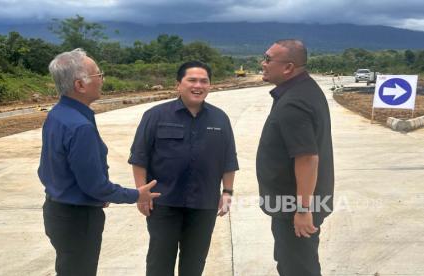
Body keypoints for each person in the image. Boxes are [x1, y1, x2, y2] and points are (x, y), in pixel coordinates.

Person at [38, 48, 160, 276]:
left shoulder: (59, 114)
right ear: (80, 85)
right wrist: (136, 195)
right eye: (98, 75)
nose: (103, 80)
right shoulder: (79, 126)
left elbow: (46, 169)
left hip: (58, 211)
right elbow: (94, 185)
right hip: (77, 219)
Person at [128, 61, 239, 276]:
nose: (198, 85)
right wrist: (142, 193)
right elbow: (139, 157)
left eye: (204, 81)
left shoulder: (220, 118)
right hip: (163, 203)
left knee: (194, 263)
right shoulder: (155, 115)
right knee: (160, 261)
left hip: (204, 204)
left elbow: (228, 159)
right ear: (178, 84)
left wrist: (227, 192)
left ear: (210, 85)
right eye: (192, 80)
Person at [256, 39, 334, 276]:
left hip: (294, 206)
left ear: (288, 67)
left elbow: (307, 158)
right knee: (294, 261)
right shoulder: (303, 90)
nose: (263, 63)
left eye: (268, 59)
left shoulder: (295, 102)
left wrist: (302, 209)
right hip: (293, 204)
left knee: (297, 267)